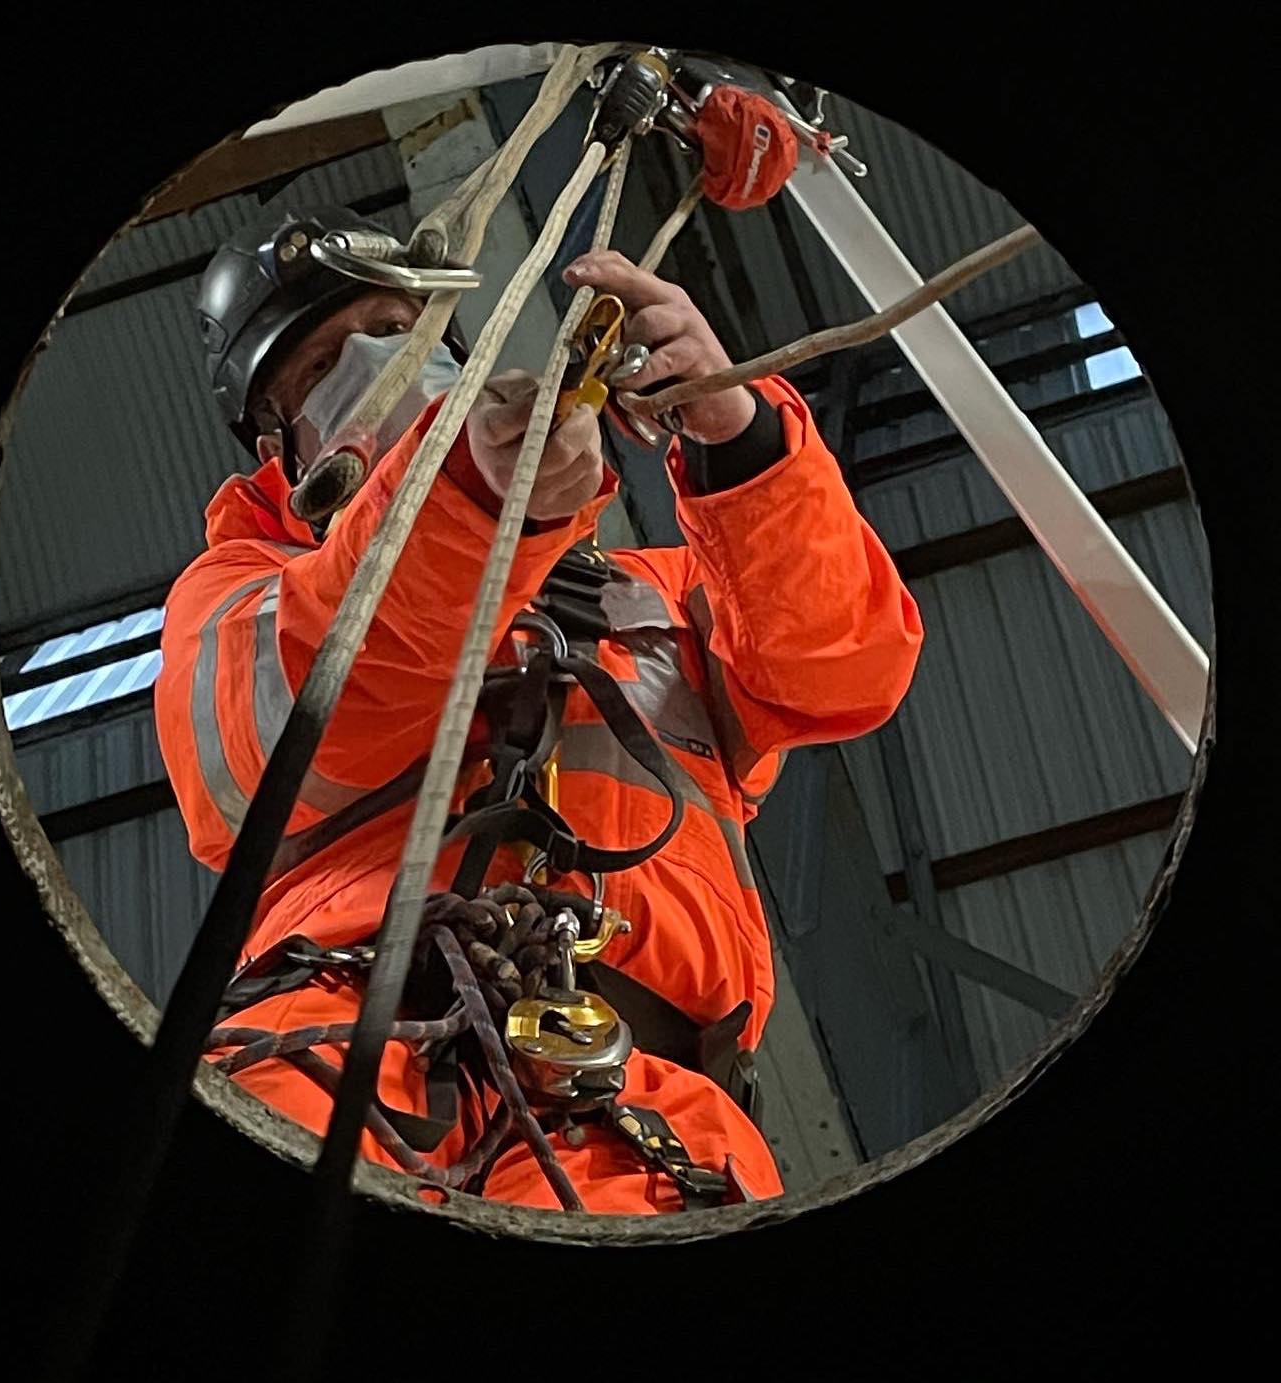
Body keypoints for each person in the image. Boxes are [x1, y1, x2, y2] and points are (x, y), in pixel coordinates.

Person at [155, 203, 923, 1213]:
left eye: (399, 329)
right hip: (331, 1045)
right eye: (322, 363)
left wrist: (738, 434)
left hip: (635, 1106)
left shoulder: (663, 591)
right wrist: (469, 500)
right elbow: (309, 707)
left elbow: (840, 667)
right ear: (279, 445)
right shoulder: (237, 593)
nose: (378, 363)